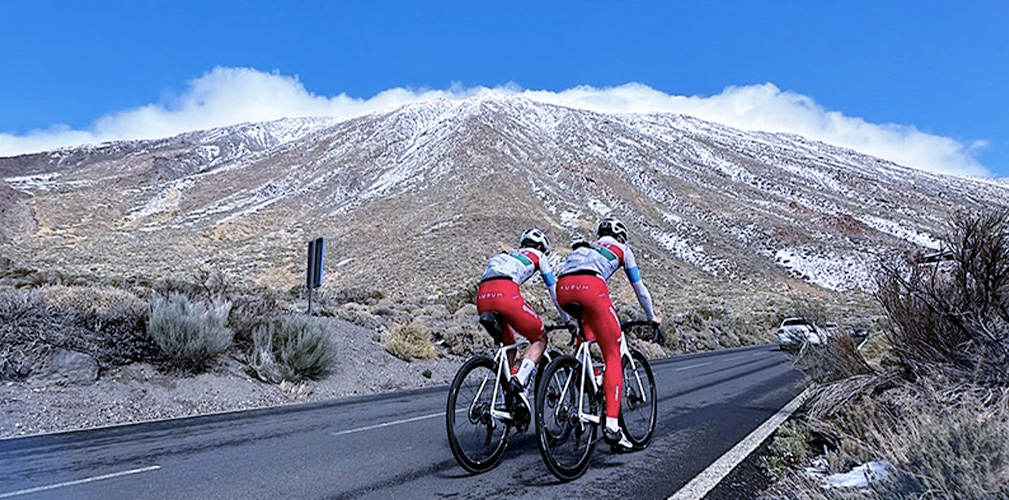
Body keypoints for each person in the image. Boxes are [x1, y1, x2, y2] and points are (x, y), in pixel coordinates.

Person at [556, 217, 661, 450]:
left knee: (586, 332)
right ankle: (612, 426)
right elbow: (640, 290)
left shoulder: (587, 247)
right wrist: (651, 315)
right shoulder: (622, 249)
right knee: (613, 352)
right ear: (621, 236)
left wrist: (568, 319)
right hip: (591, 286)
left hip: (563, 287)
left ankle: (588, 373)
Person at [476, 228, 576, 411]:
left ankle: (508, 401)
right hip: (505, 293)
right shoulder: (538, 255)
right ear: (541, 247)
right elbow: (553, 289)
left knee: (509, 345)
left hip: (482, 297)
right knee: (539, 338)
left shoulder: (504, 255)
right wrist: (567, 319)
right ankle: (519, 379)